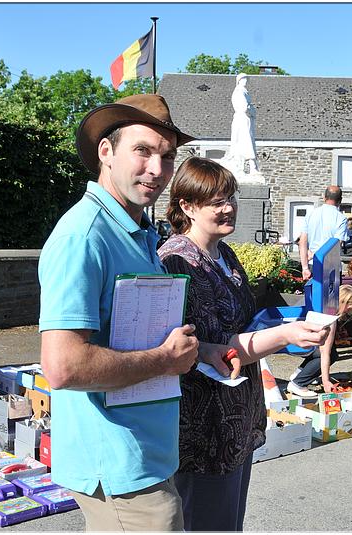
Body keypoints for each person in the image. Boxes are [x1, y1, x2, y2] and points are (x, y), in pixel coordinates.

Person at [38, 95, 232, 532]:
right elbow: (64, 366)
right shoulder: (84, 236)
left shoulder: (139, 230)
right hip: (120, 465)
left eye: (166, 156)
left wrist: (200, 351)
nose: (157, 170)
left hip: (143, 454)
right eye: (142, 151)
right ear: (106, 152)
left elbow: (135, 334)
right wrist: (166, 360)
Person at [158, 156, 330, 531]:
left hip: (237, 417)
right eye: (217, 201)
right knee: (209, 524)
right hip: (206, 427)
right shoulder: (178, 261)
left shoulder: (224, 253)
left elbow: (245, 322)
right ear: (186, 207)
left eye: (230, 197)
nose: (229, 207)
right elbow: (216, 348)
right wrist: (285, 335)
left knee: (230, 523)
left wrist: (292, 325)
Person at [286, 285, 352, 397]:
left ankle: (299, 374)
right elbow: (325, 353)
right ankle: (298, 384)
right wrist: (326, 381)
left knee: (329, 352)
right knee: (331, 354)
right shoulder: (331, 319)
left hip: (298, 338)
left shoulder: (324, 306)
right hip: (299, 343)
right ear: (344, 303)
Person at [298, 186, 348, 280]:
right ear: (340, 200)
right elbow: (335, 244)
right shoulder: (341, 219)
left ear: (324, 197)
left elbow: (302, 241)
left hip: (313, 264)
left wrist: (304, 267)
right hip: (331, 266)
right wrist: (317, 254)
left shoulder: (311, 214)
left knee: (313, 294)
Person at [228, 73, 258, 172]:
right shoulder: (239, 92)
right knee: (245, 142)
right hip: (242, 119)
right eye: (243, 79)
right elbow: (245, 107)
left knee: (247, 142)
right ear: (239, 81)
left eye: (246, 79)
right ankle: (251, 166)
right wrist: (252, 110)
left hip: (246, 119)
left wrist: (252, 110)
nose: (245, 81)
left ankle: (249, 166)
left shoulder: (244, 92)